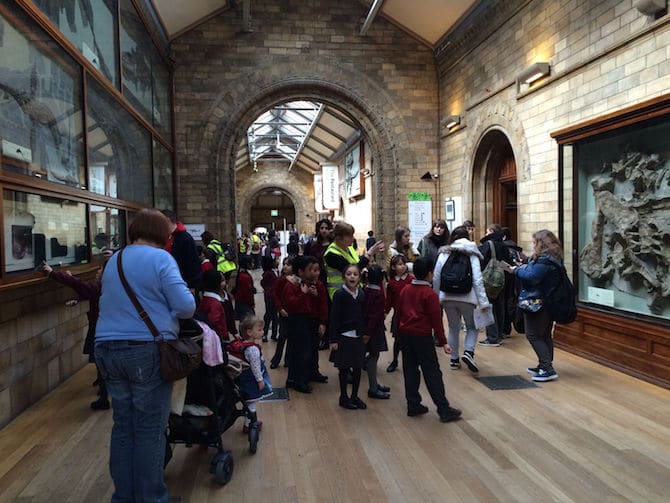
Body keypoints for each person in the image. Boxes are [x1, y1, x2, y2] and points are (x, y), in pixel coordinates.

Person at [95, 209, 195, 502]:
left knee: (123, 427)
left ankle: (123, 497)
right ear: (162, 234)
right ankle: (152, 498)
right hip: (145, 350)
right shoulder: (161, 258)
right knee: (150, 429)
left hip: (107, 348)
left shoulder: (116, 259)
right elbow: (186, 307)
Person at [396, 257, 462, 423]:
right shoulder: (429, 294)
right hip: (422, 337)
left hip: (405, 335)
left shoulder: (405, 290)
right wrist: (444, 341)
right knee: (432, 372)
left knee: (410, 370)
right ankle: (443, 408)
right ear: (429, 274)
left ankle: (413, 404)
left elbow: (399, 313)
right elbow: (436, 321)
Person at [42, 260, 110, 410]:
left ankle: (104, 396)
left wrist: (53, 273)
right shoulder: (109, 286)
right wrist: (78, 298)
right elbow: (90, 293)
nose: (97, 271)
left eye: (100, 269)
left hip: (99, 328)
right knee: (101, 360)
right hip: (103, 327)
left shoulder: (101, 285)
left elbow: (84, 287)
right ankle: (103, 388)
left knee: (100, 361)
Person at [500, 229, 564, 382]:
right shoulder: (552, 258)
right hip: (547, 301)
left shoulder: (545, 260)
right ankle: (544, 364)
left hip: (537, 302)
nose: (533, 244)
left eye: (535, 242)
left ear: (541, 243)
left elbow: (531, 276)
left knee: (533, 334)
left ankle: (547, 368)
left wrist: (516, 270)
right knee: (545, 334)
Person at [432, 225, 490, 373]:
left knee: (453, 327)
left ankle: (454, 359)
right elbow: (477, 279)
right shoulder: (472, 253)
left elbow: (437, 276)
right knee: (472, 327)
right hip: (467, 297)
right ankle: (469, 352)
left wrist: (435, 297)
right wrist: (483, 302)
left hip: (447, 297)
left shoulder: (445, 252)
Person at [281, 255, 328, 393]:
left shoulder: (317, 285)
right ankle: (298, 380)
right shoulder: (292, 285)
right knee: (301, 351)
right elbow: (291, 305)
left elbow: (323, 304)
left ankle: (313, 372)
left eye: (317, 270)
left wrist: (323, 322)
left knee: (313, 348)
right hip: (298, 321)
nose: (316, 273)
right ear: (301, 272)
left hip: (312, 320)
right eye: (311, 270)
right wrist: (304, 294)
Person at [329, 264, 367, 410]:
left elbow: (363, 316)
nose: (352, 276)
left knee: (357, 368)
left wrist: (364, 333)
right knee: (344, 369)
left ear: (359, 277)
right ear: (344, 277)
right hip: (344, 337)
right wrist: (334, 340)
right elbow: (334, 318)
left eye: (355, 274)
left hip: (357, 337)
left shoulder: (361, 294)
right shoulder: (339, 295)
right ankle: (343, 397)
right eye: (349, 274)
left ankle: (355, 396)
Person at [228, 317, 273, 432]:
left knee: (247, 401)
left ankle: (249, 421)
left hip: (242, 379)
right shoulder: (253, 349)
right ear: (249, 332)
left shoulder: (242, 345)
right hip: (251, 380)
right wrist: (260, 380)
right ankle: (250, 425)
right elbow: (255, 367)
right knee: (252, 402)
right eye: (259, 330)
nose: (262, 332)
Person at [323, 221, 384, 301]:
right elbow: (352, 269)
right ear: (340, 238)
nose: (353, 238)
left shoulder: (349, 248)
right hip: (340, 294)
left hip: (354, 291)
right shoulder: (331, 254)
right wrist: (369, 253)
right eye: (350, 236)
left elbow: (357, 263)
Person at [478, 224, 513, 347]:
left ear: (492, 232)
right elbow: (508, 262)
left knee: (488, 307)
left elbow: (481, 261)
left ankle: (492, 337)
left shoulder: (489, 244)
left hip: (490, 279)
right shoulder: (503, 245)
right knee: (499, 307)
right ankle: (499, 335)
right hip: (502, 279)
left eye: (487, 231)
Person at [363, 264, 390, 399]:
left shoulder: (365, 290)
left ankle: (374, 383)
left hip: (367, 328)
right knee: (374, 356)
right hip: (374, 329)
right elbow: (375, 315)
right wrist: (368, 332)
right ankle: (373, 387)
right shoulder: (378, 294)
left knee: (372, 355)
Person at [385, 254, 414, 373]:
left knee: (411, 340)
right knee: (398, 340)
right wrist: (385, 312)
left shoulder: (411, 280)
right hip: (398, 315)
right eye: (399, 264)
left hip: (411, 315)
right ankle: (395, 360)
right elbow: (389, 300)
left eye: (404, 264)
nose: (402, 267)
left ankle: (411, 362)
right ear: (393, 267)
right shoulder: (392, 283)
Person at [162, 209, 202, 289]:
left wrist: (192, 286)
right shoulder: (163, 237)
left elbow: (192, 263)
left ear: (167, 220)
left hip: (182, 284)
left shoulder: (184, 238)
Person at [500, 227, 527, 337]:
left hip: (505, 279)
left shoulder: (503, 248)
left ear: (503, 237)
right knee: (512, 301)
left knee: (504, 303)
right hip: (517, 280)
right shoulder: (517, 249)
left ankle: (505, 328)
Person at [269, 257, 293, 369]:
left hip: (293, 313)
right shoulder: (281, 280)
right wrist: (280, 308)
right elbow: (275, 295)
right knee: (282, 337)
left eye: (288, 264)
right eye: (284, 264)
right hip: (283, 313)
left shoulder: (297, 280)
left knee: (291, 338)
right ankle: (276, 360)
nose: (285, 266)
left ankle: (288, 360)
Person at [197, 269, 229, 342]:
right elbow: (213, 322)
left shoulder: (205, 299)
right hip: (218, 339)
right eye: (222, 280)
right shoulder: (215, 304)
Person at [303, 218, 333, 285]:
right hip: (315, 276)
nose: (324, 230)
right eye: (322, 228)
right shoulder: (312, 244)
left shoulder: (333, 245)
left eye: (326, 228)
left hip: (329, 277)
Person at [261, 255, 279, 342]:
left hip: (271, 296)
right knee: (270, 315)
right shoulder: (269, 273)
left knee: (273, 315)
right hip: (271, 296)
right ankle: (266, 334)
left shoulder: (273, 272)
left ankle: (273, 334)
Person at [233, 255, 256, 321]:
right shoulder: (245, 277)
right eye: (252, 263)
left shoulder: (242, 274)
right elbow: (247, 293)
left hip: (242, 303)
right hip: (245, 304)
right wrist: (251, 303)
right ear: (247, 264)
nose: (253, 264)